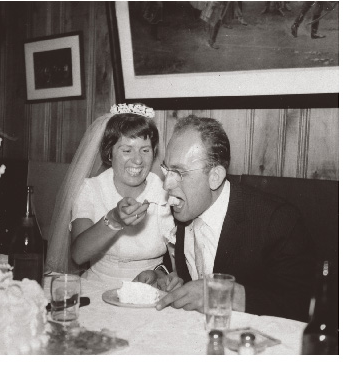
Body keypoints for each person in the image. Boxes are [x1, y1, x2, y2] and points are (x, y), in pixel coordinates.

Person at [135, 115, 314, 322]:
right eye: (167, 170)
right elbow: (177, 265)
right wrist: (162, 275)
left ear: (215, 177)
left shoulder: (278, 220)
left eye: (179, 173)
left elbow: (302, 305)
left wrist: (225, 295)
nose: (167, 185)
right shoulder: (183, 206)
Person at [46, 103, 175, 286]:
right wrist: (114, 220)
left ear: (153, 153)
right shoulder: (90, 189)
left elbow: (179, 262)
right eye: (126, 150)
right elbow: (78, 255)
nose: (138, 160)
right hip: (97, 286)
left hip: (151, 288)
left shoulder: (164, 191)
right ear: (109, 154)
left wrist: (160, 274)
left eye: (145, 150)